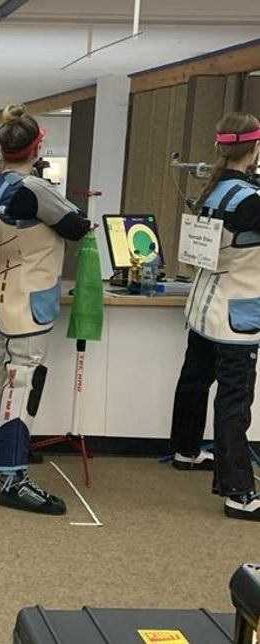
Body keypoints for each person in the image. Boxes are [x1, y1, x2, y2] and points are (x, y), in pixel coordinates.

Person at [0, 104, 90, 515]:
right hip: (29, 296)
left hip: (4, 290)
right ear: (37, 146)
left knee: (0, 367)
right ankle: (12, 477)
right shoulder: (34, 188)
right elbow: (76, 226)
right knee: (21, 382)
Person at [169, 111, 260, 521]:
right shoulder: (252, 201)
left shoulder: (213, 192)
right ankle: (239, 492)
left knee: (195, 380)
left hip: (204, 308)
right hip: (237, 314)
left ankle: (186, 450)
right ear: (254, 149)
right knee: (234, 402)